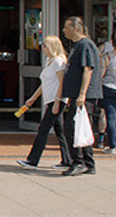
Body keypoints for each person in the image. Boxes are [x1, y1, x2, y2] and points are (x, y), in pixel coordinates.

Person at [16, 35, 72, 170]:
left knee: (43, 129)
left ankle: (33, 159)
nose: (43, 48)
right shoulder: (50, 61)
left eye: (45, 46)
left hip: (56, 100)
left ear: (52, 47)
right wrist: (33, 98)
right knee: (60, 131)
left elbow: (62, 82)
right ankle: (67, 159)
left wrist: (58, 101)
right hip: (51, 100)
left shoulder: (59, 61)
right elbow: (44, 83)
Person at [60, 16, 99, 176]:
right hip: (76, 95)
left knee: (72, 128)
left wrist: (82, 94)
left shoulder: (85, 45)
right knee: (82, 127)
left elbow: (87, 69)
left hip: (83, 96)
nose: (63, 30)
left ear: (75, 28)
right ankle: (88, 163)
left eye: (66, 27)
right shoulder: (77, 46)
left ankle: (78, 161)